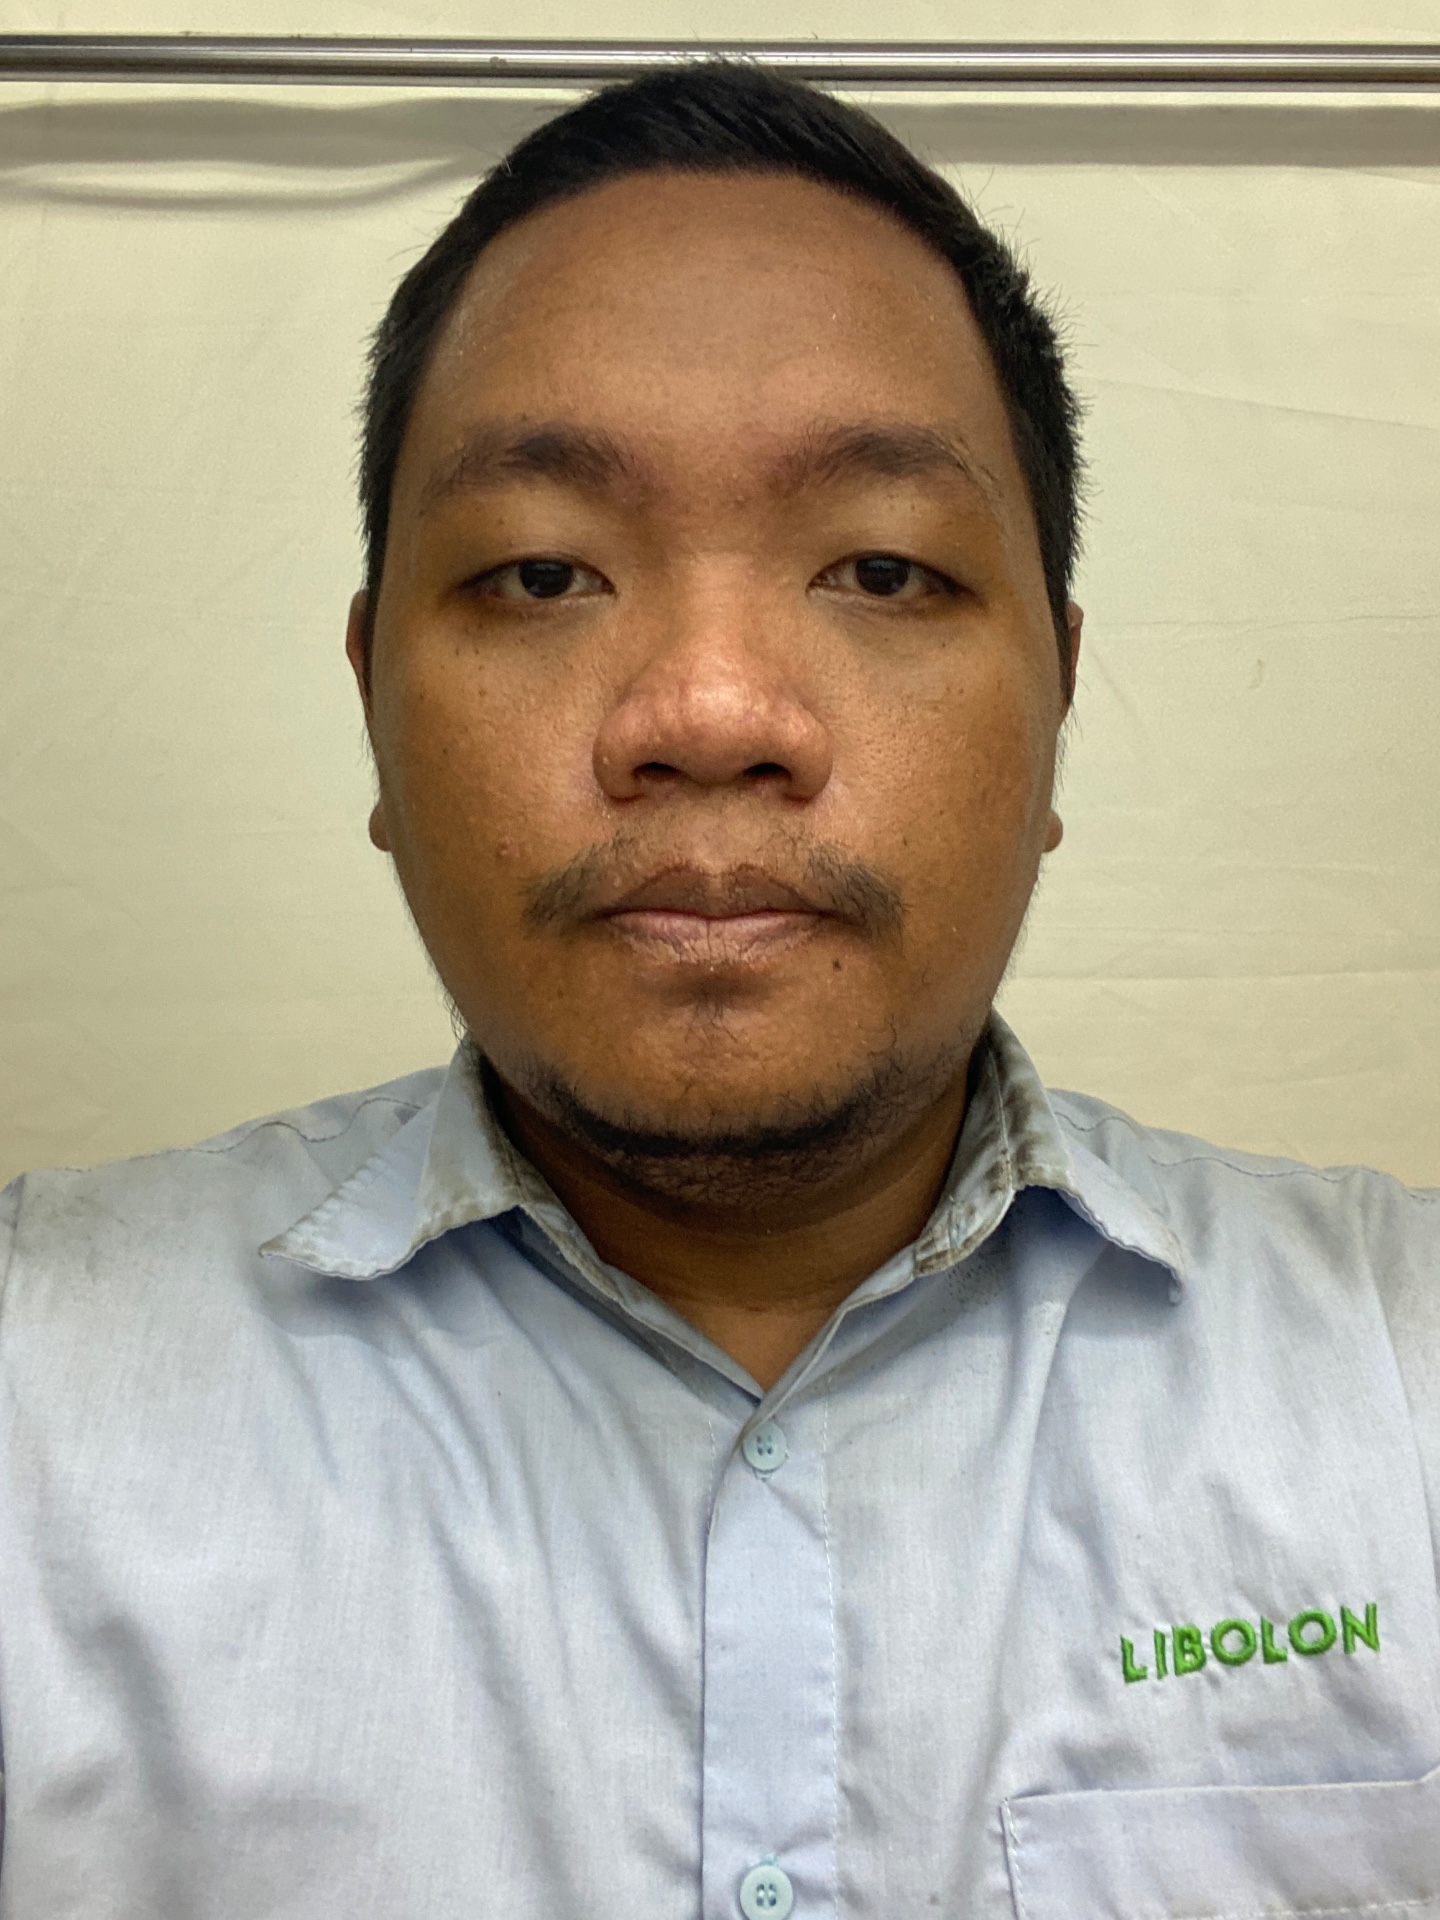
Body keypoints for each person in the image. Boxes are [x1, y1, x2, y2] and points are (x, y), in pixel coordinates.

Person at [1, 60, 1437, 1919]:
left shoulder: (1398, 1377)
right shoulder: (40, 1397)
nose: (709, 712)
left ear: (1059, 701)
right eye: (542, 573)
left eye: (883, 568)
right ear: (371, 703)